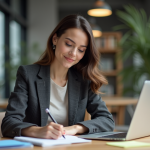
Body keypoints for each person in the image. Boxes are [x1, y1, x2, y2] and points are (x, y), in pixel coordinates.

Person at [1, 14, 115, 139]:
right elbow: (9, 122)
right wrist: (37, 131)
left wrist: (76, 128)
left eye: (81, 50)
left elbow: (107, 120)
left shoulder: (84, 80)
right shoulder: (28, 74)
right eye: (68, 44)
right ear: (55, 39)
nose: (73, 53)